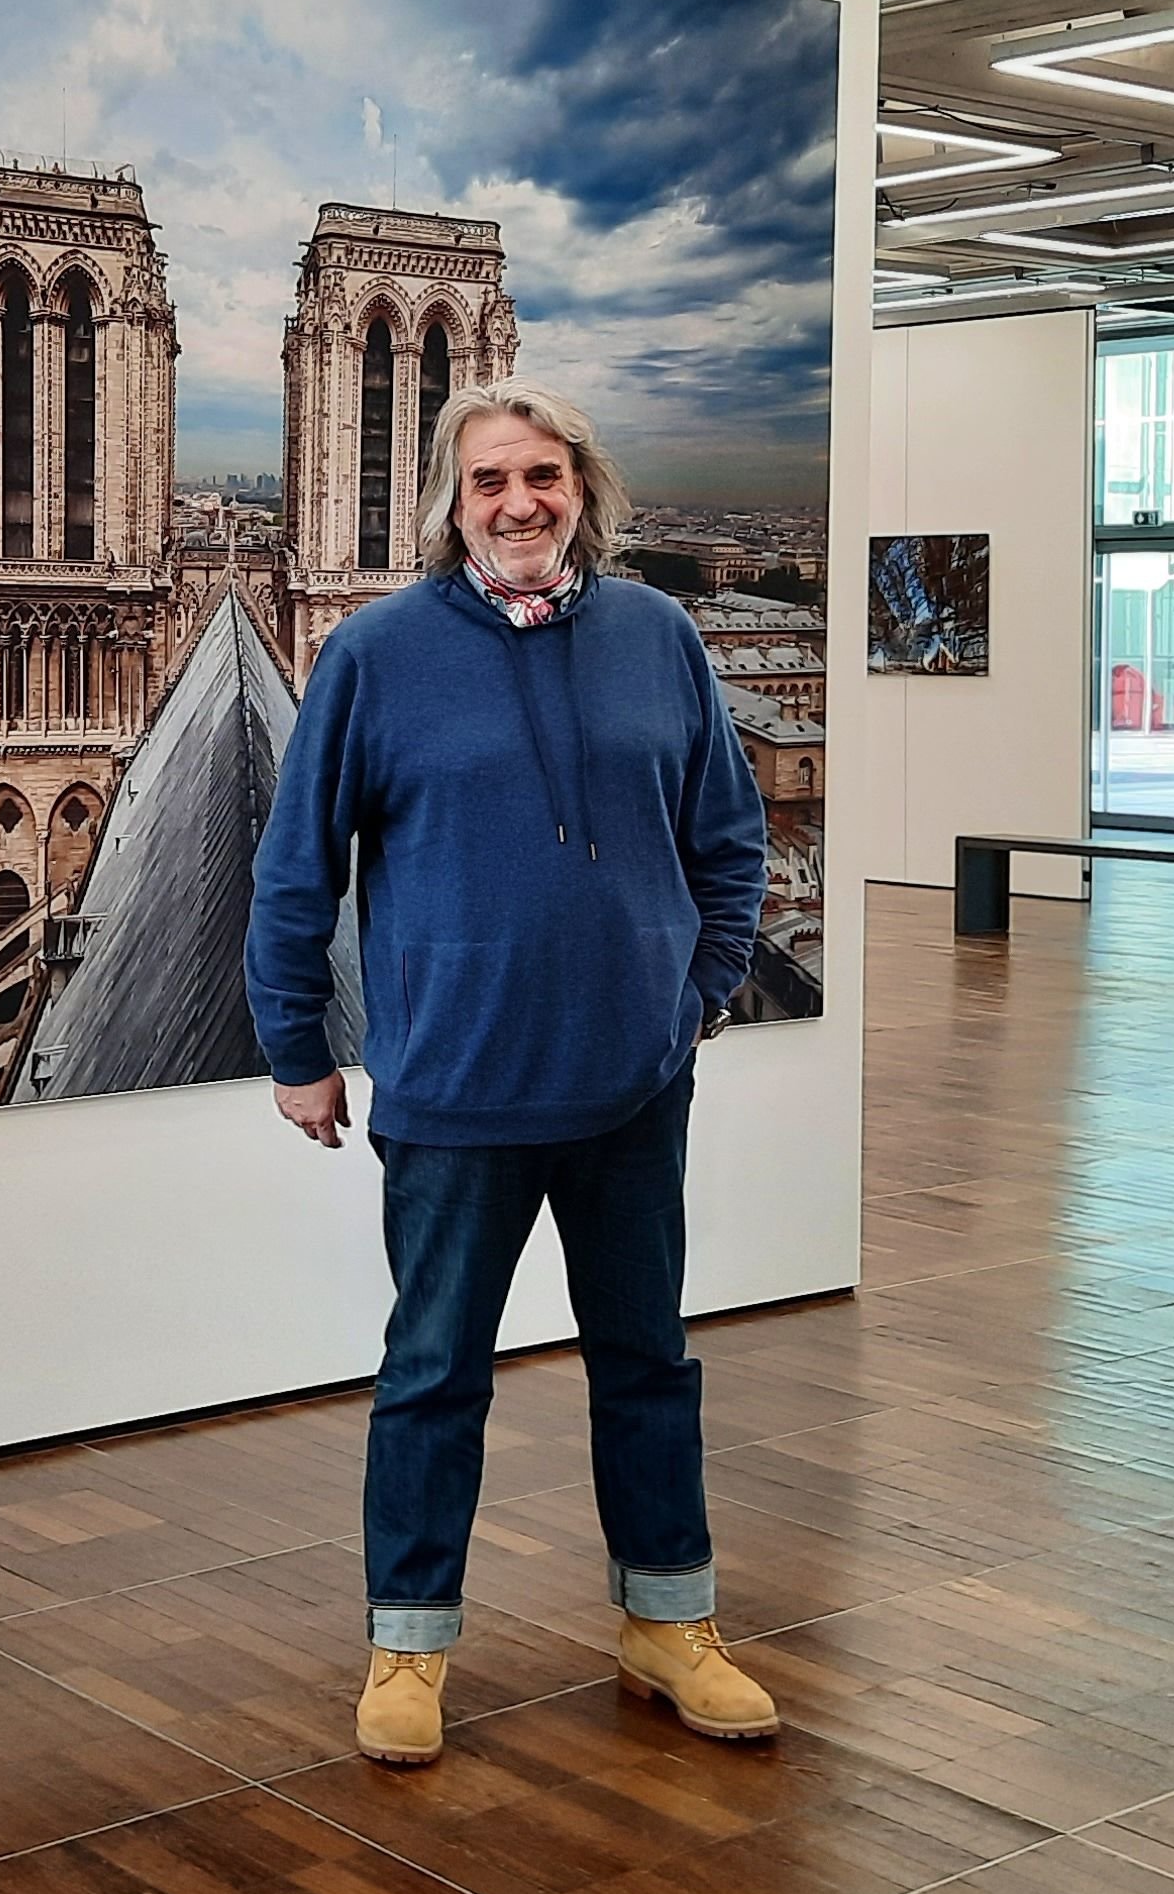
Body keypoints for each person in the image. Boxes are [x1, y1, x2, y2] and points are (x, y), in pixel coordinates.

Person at [246, 378, 776, 1769]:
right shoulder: (375, 655)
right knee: (433, 1375)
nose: (519, 502)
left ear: (582, 489)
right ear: (452, 503)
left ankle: (671, 1626)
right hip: (457, 1091)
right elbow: (298, 867)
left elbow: (731, 840)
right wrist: (297, 1046)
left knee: (647, 1364)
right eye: (490, 481)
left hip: (630, 1085)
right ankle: (407, 1648)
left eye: (542, 475)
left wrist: (697, 996)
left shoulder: (661, 638)